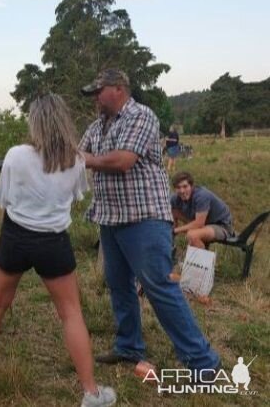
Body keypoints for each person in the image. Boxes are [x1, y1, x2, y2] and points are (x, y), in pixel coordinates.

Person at [0, 93, 116, 407]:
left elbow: (3, 200)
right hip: (53, 242)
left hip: (15, 238)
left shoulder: (16, 155)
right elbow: (74, 197)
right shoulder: (76, 159)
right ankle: (91, 393)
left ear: (34, 123)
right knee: (71, 314)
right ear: (63, 121)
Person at [78, 69, 220, 379]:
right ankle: (129, 345)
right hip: (110, 218)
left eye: (98, 92)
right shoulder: (97, 126)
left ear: (118, 89)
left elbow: (123, 160)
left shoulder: (141, 116)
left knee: (158, 286)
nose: (95, 99)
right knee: (119, 285)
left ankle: (203, 362)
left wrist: (84, 159)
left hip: (144, 218)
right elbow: (78, 151)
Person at [171, 171, 235, 248]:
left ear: (191, 186)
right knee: (173, 210)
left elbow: (199, 223)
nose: (182, 191)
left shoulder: (201, 196)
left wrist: (175, 231)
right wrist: (171, 230)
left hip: (221, 225)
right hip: (204, 223)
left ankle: (201, 260)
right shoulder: (174, 198)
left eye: (185, 186)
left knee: (192, 235)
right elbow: (173, 219)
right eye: (178, 187)